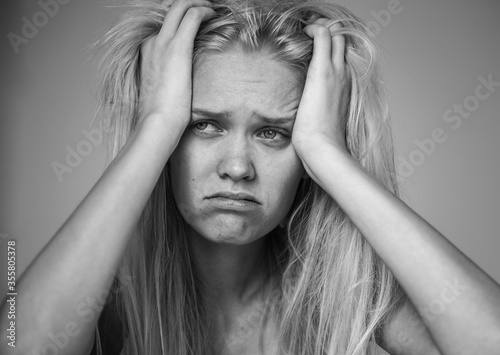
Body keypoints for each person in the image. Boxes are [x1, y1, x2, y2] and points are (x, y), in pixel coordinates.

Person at [1, 0, 499, 354]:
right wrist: (154, 127)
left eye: (274, 134)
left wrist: (330, 154)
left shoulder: (347, 300)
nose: (237, 167)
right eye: (203, 125)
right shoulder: (103, 303)